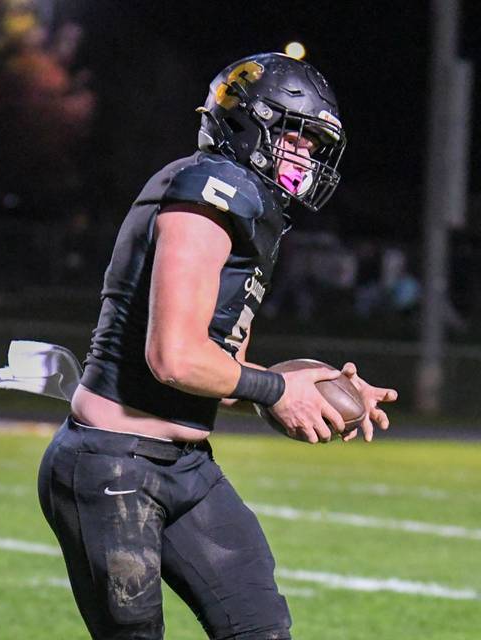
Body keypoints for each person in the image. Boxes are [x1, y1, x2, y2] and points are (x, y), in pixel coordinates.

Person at [36, 53, 398, 639]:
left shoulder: (255, 207)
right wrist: (277, 389)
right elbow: (172, 357)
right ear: (246, 122)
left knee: (259, 626)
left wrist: (317, 386)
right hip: (111, 463)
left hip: (185, 466)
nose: (305, 155)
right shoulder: (209, 189)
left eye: (314, 143)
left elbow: (218, 372)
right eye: (295, 135)